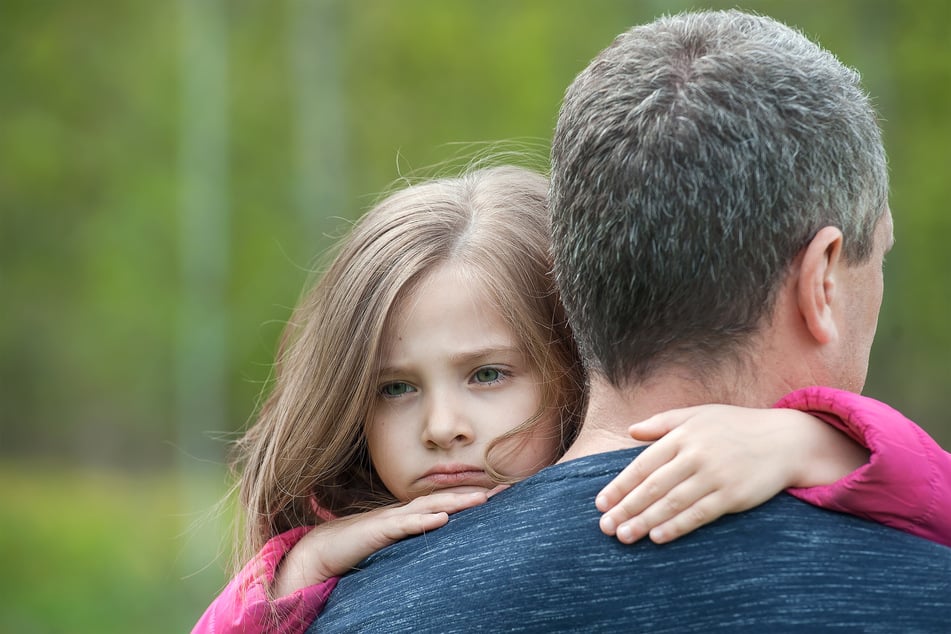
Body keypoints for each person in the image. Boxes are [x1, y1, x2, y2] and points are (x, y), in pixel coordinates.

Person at [308, 10, 951, 632]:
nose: (444, 428)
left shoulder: (347, 612)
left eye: (485, 374)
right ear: (822, 279)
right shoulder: (925, 583)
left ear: (574, 270)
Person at [195, 158, 947, 633]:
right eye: (394, 388)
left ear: (574, 360)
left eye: (488, 374)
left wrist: (818, 440)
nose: (443, 427)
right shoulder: (324, 583)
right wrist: (289, 577)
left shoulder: (722, 457)